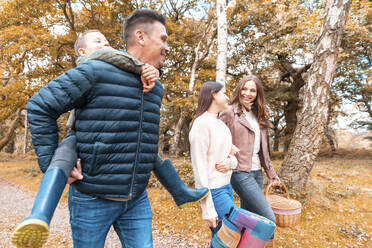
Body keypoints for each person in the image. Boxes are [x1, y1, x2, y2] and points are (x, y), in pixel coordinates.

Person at [17, 10, 208, 248]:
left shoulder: (155, 88)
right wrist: (49, 163)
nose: (167, 47)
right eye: (163, 39)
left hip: (136, 198)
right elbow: (39, 106)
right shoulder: (95, 71)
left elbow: (142, 140)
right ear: (141, 37)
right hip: (91, 198)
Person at [219, 74, 281, 248]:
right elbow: (214, 136)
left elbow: (263, 149)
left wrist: (271, 173)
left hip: (256, 173)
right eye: (244, 89)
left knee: (249, 217)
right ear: (239, 89)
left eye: (252, 90)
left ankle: (233, 242)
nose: (247, 93)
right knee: (268, 218)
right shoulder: (229, 112)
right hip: (239, 172)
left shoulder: (258, 114)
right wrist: (228, 149)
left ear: (258, 93)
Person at [189, 81, 239, 240]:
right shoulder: (201, 124)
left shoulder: (220, 125)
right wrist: (207, 208)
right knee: (231, 236)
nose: (227, 97)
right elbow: (199, 169)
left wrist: (231, 162)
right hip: (214, 192)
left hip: (227, 188)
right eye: (223, 93)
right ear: (213, 95)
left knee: (223, 239)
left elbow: (232, 155)